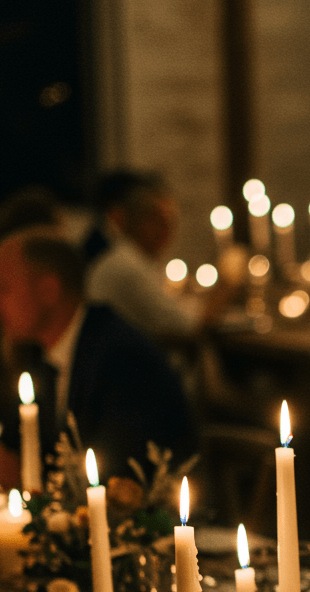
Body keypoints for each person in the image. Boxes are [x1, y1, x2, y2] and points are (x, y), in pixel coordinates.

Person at [0, 228, 196, 483]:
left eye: (4, 288)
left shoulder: (121, 359)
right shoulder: (37, 357)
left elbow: (115, 474)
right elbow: (17, 449)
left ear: (49, 290)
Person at [86, 170, 234, 340]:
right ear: (134, 221)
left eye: (171, 223)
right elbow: (192, 327)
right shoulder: (127, 266)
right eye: (158, 222)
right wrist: (228, 281)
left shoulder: (134, 260)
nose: (166, 231)